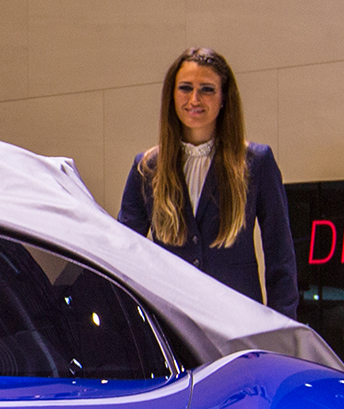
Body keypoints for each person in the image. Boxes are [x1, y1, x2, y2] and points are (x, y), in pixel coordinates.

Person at [116, 48, 299, 316]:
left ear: (224, 98)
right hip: (173, 323)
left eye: (207, 89)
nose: (194, 99)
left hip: (238, 321)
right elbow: (124, 255)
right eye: (185, 88)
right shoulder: (146, 168)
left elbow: (280, 255)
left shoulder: (257, 162)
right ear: (171, 95)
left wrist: (282, 329)